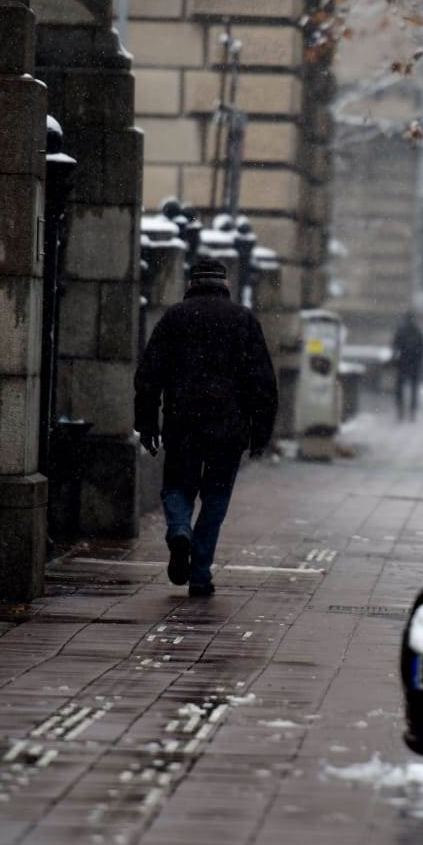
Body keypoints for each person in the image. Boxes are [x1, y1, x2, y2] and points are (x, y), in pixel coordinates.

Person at [134, 256, 277, 597]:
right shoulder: (243, 320)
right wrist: (261, 433)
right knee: (215, 499)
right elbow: (263, 383)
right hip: (228, 428)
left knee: (176, 487)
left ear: (191, 284)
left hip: (183, 422)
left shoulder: (175, 318)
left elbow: (149, 376)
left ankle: (180, 528)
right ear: (225, 285)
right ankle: (199, 575)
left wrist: (147, 423)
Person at [391, 311, 423, 421]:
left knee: (400, 388)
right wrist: (421, 361)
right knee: (413, 389)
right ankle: (412, 411)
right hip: (414, 364)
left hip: (404, 363)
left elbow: (395, 346)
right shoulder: (418, 331)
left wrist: (394, 359)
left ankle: (401, 410)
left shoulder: (402, 331)